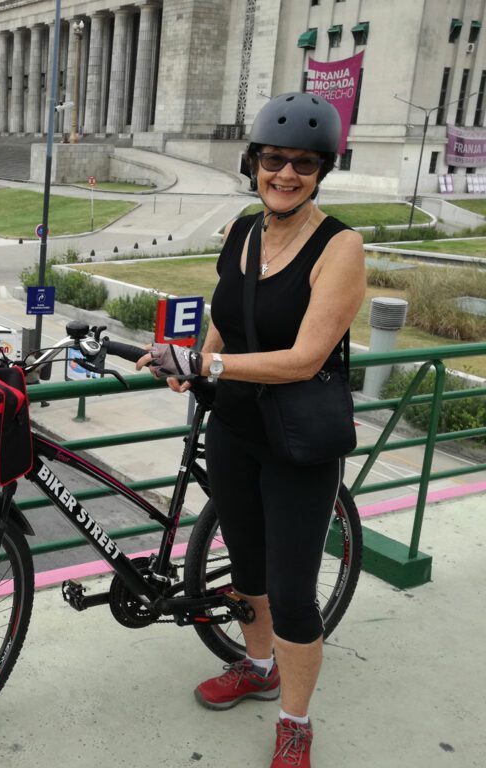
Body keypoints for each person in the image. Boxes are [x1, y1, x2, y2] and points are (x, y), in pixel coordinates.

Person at [135, 92, 365, 768]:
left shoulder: (339, 246)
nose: (286, 174)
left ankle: (296, 719)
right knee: (247, 571)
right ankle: (257, 668)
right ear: (254, 161)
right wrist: (192, 367)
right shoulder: (243, 230)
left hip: (298, 445)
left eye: (304, 163)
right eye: (273, 159)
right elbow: (224, 321)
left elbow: (306, 358)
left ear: (323, 170)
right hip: (232, 426)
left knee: (293, 592)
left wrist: (212, 361)